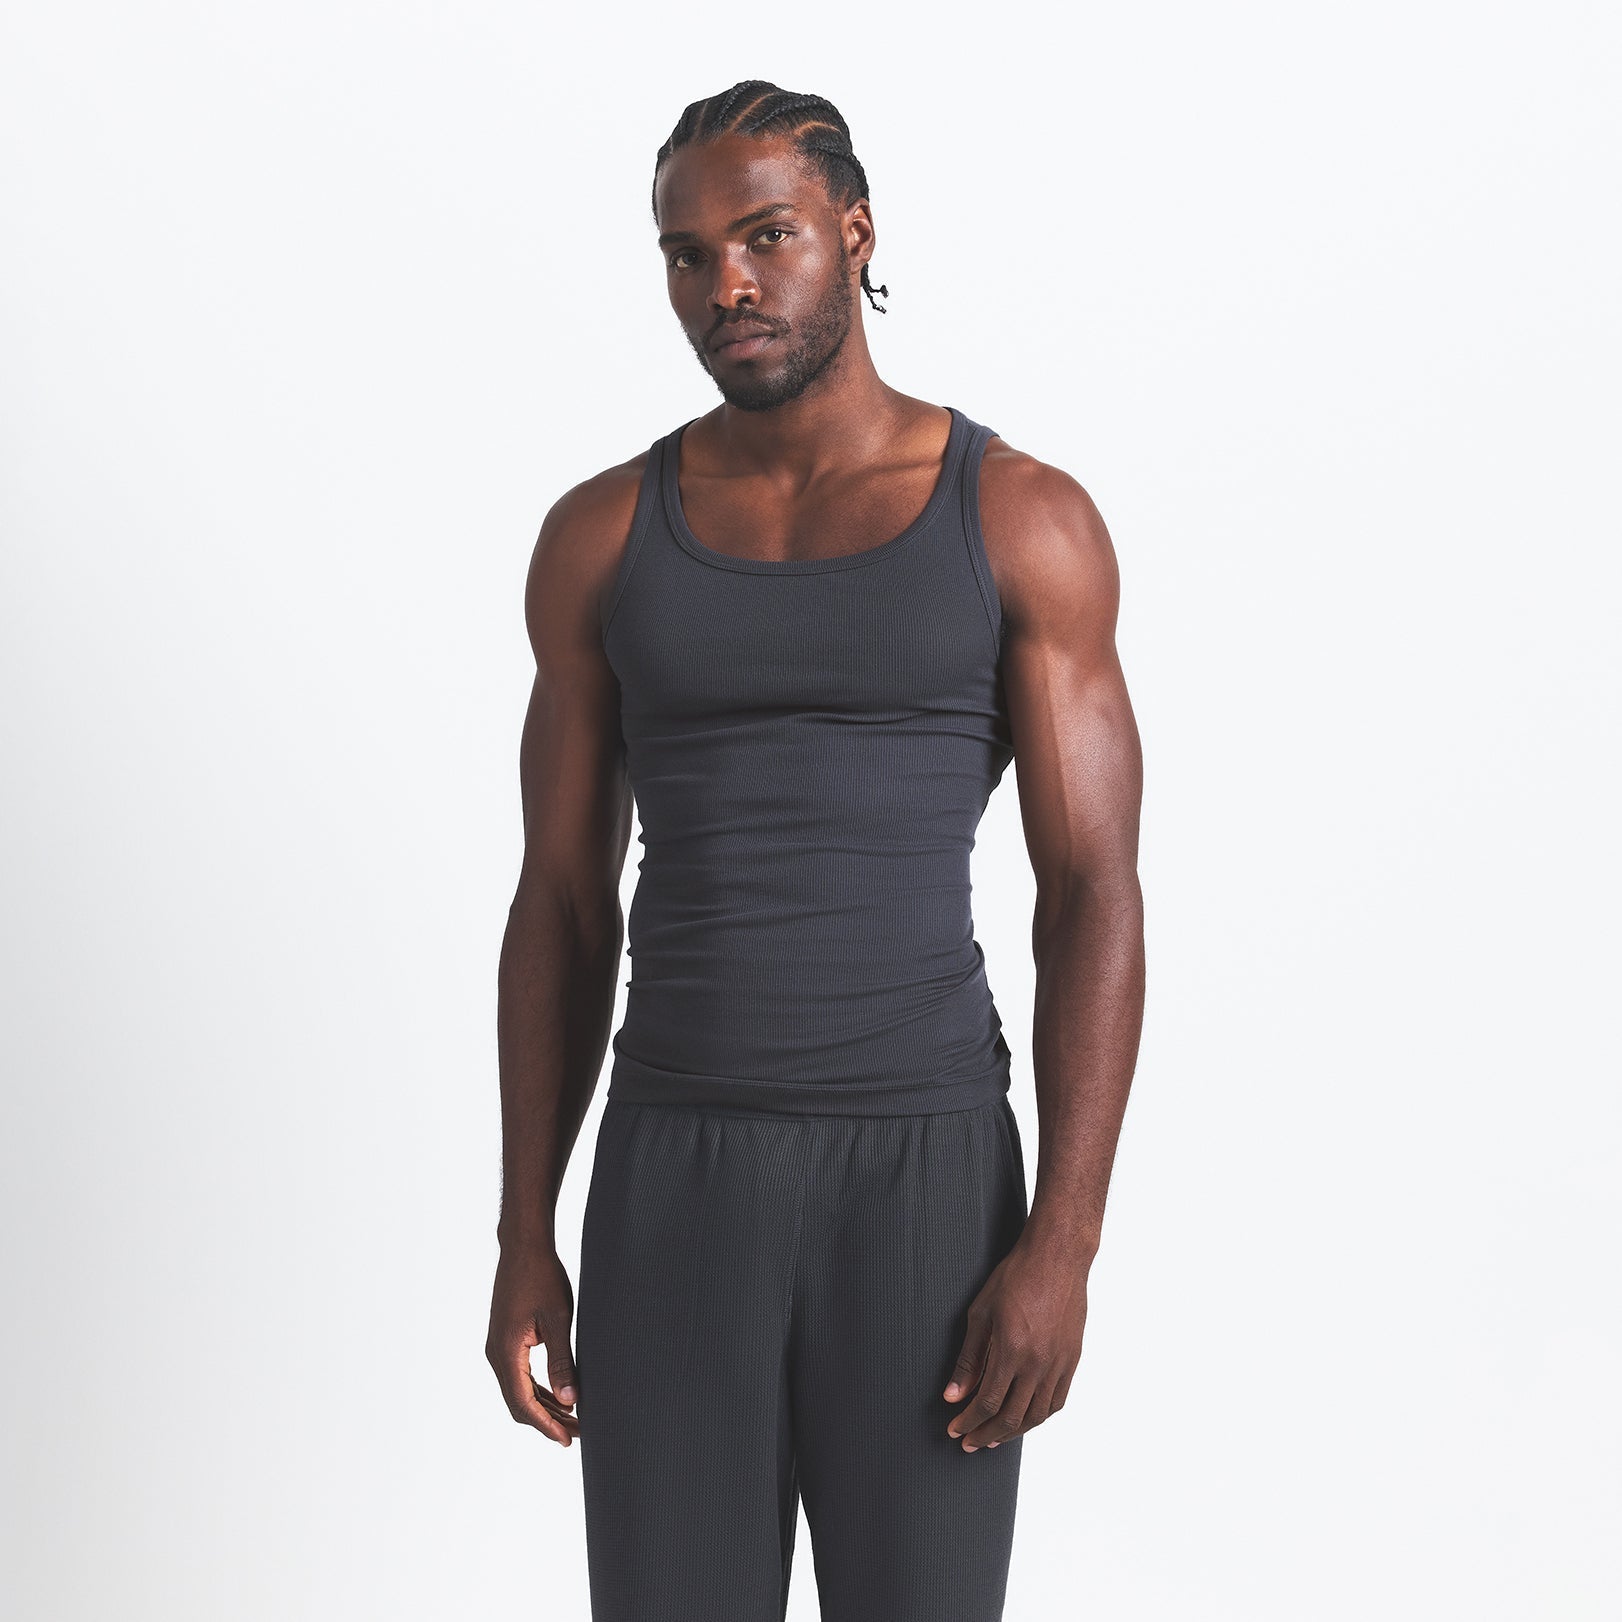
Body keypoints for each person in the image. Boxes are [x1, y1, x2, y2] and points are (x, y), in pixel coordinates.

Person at [486, 79, 1145, 1622]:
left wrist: (1061, 1243)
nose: (723, 282)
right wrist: (525, 1230)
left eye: (763, 236)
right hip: (674, 1172)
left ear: (853, 234)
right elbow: (561, 904)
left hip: (922, 1176)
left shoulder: (1020, 520)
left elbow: (1091, 894)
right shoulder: (601, 536)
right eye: (686, 253)